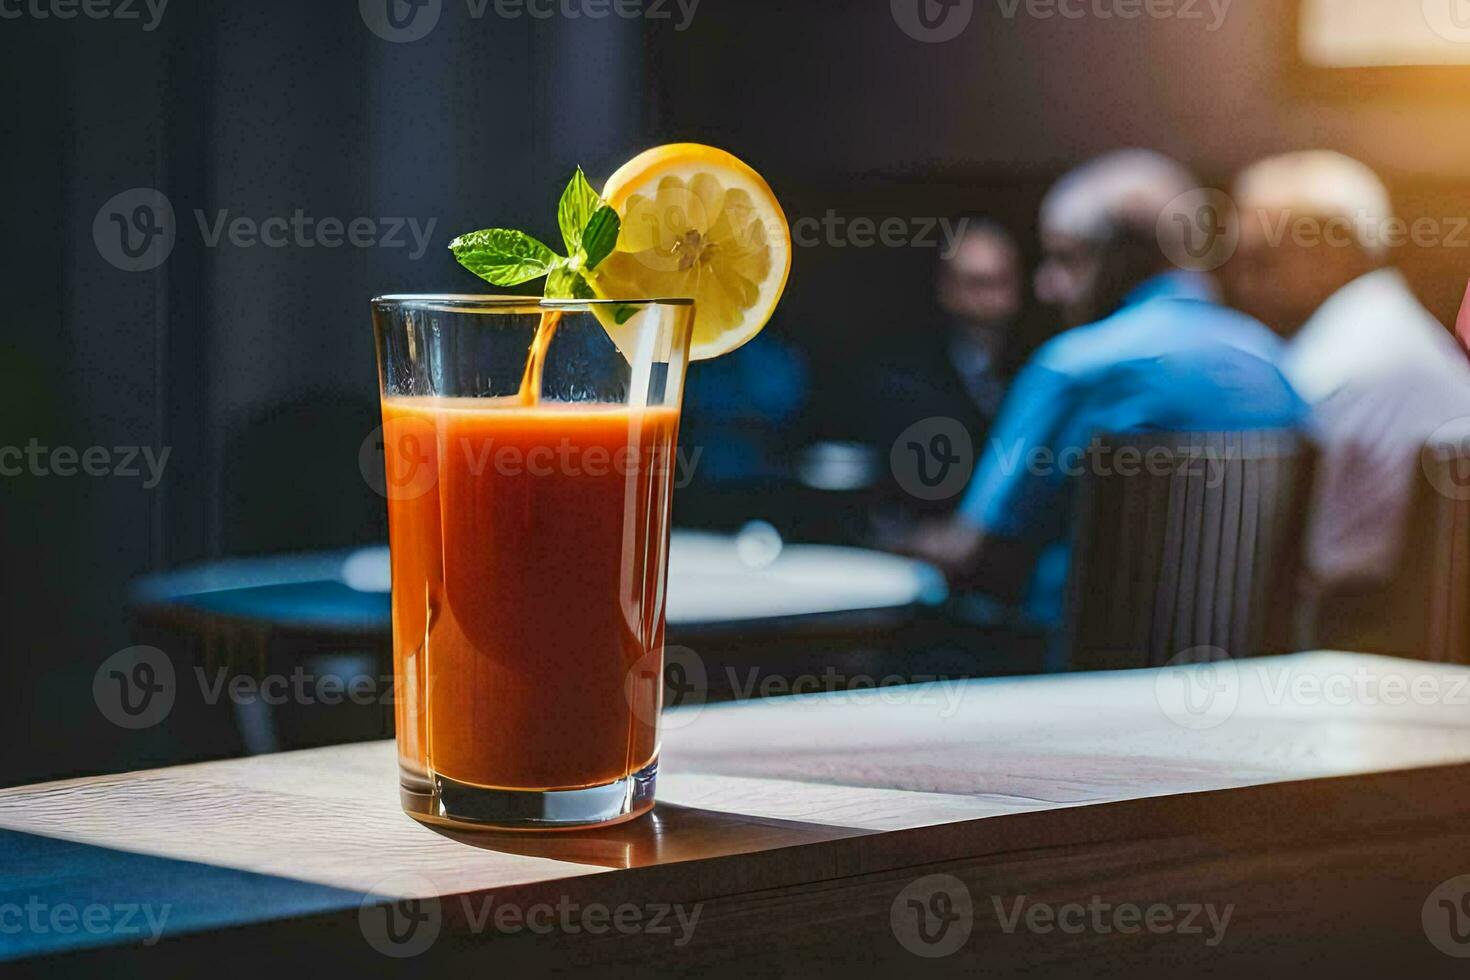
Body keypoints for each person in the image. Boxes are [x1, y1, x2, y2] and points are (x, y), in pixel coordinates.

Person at [899, 150, 1307, 628]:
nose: (1048, 288)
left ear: (1121, 259)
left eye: (1065, 259)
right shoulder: (1277, 366)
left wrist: (882, 544)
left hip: (1067, 679)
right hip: (1237, 676)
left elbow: (974, 551)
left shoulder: (1076, 368)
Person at [1228, 151, 1470, 592]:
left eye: (1262, 261)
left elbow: (1263, 561)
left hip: (1351, 629)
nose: (1242, 284)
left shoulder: (1328, 367)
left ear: (1332, 253)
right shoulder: (1396, 329)